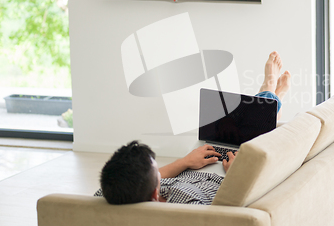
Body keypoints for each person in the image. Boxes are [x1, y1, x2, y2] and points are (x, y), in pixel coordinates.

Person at [96, 51, 291, 205]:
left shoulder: (112, 193)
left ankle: (272, 99)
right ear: (155, 192)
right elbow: (235, 208)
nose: (161, 172)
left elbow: (138, 180)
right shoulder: (188, 205)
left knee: (229, 121)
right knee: (254, 126)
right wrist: (237, 175)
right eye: (157, 173)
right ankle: (270, 90)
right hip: (228, 174)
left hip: (199, 166)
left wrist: (184, 162)